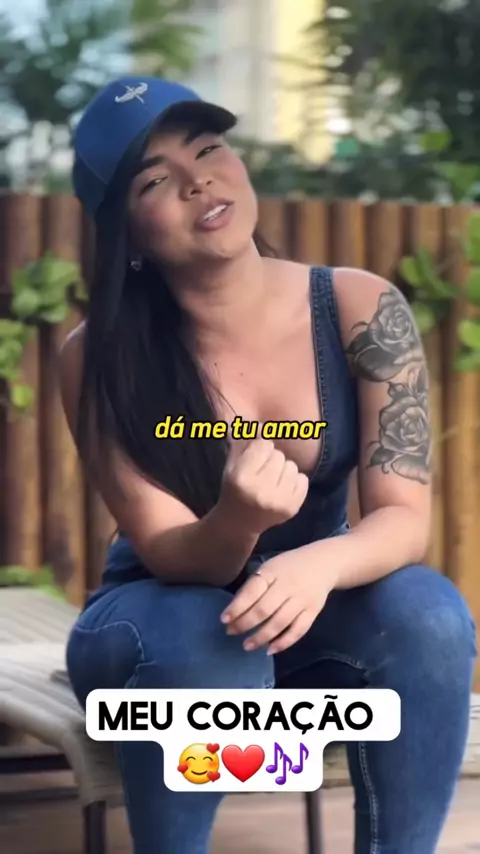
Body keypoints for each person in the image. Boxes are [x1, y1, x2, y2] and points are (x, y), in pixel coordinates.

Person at [60, 75, 476, 854]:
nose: (198, 181)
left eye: (208, 150)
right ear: (127, 236)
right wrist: (238, 521)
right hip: (154, 624)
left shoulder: (359, 309)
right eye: (155, 181)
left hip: (306, 620)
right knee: (201, 636)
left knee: (428, 613)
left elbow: (402, 517)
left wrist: (318, 564)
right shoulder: (98, 357)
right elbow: (167, 550)